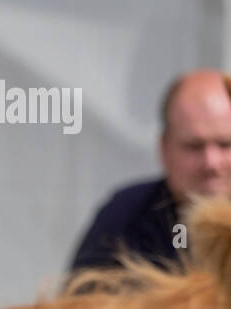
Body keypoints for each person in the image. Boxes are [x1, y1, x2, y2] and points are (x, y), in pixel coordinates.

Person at [69, 70, 231, 272]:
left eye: (225, 144)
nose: (211, 163)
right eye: (194, 146)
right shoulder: (125, 219)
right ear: (164, 149)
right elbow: (80, 299)